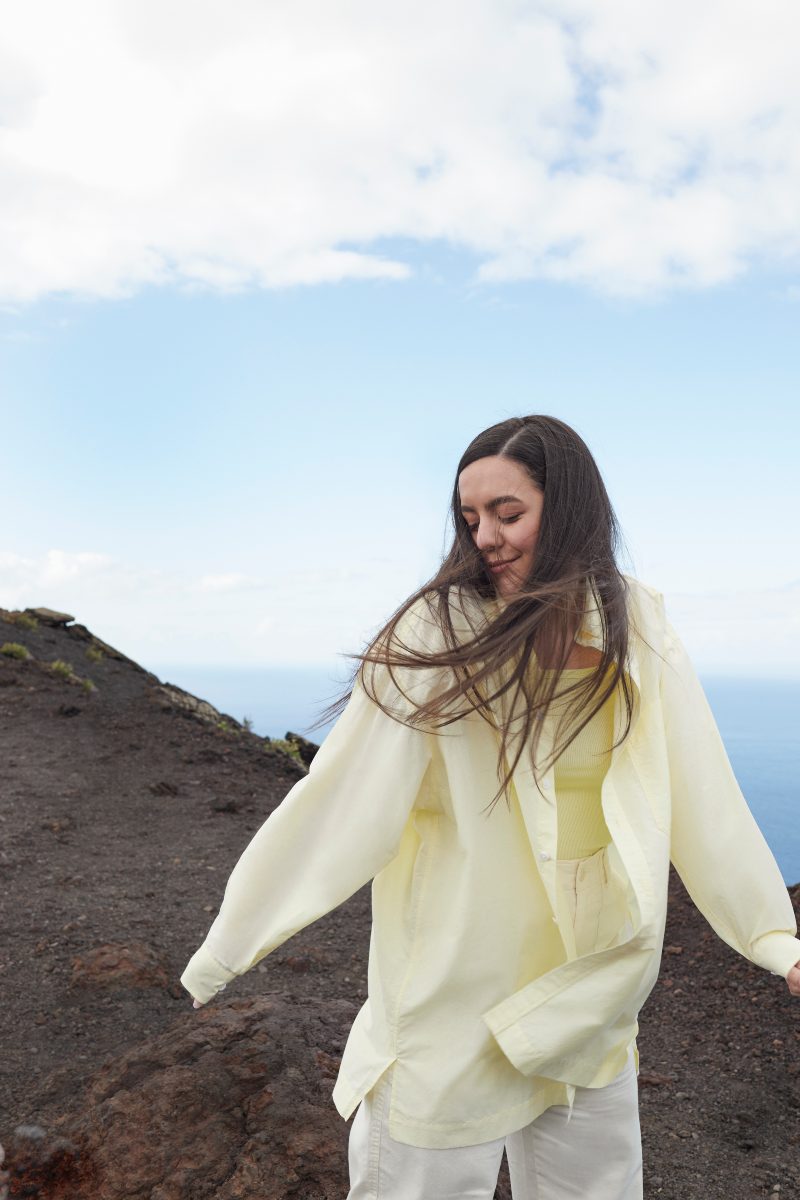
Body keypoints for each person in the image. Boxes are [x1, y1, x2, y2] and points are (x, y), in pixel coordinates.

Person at [181, 414, 800, 1200]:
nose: (486, 538)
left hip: (591, 967)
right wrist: (228, 949)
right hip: (459, 958)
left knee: (595, 1187)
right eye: (471, 518)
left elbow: (701, 785)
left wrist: (773, 938)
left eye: (509, 514)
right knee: (420, 1179)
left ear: (568, 509)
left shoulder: (636, 621)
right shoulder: (436, 632)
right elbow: (340, 800)